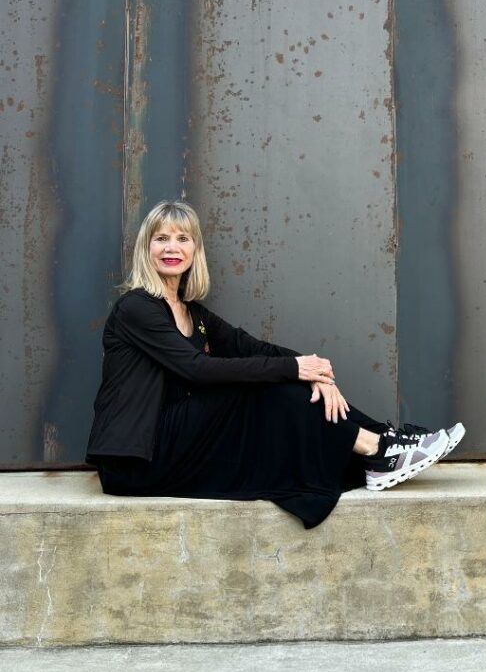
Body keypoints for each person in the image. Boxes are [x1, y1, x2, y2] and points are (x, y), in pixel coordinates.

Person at [85, 200, 465, 529]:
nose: (172, 248)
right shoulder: (136, 308)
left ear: (195, 249)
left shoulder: (191, 312)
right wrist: (294, 371)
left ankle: (384, 441)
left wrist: (315, 370)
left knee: (281, 377)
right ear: (146, 247)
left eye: (182, 238)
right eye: (161, 238)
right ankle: (377, 451)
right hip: (138, 457)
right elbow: (195, 369)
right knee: (264, 388)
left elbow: (250, 347)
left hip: (177, 439)